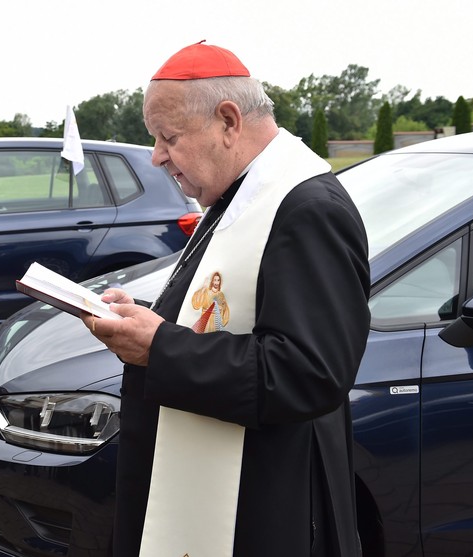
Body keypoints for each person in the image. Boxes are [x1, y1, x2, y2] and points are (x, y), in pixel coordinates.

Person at [81, 41, 371, 557]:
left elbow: (309, 372)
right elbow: (219, 312)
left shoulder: (305, 208)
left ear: (228, 121)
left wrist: (158, 347)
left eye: (168, 137)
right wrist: (149, 321)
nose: (157, 156)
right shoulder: (238, 192)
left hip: (262, 500)